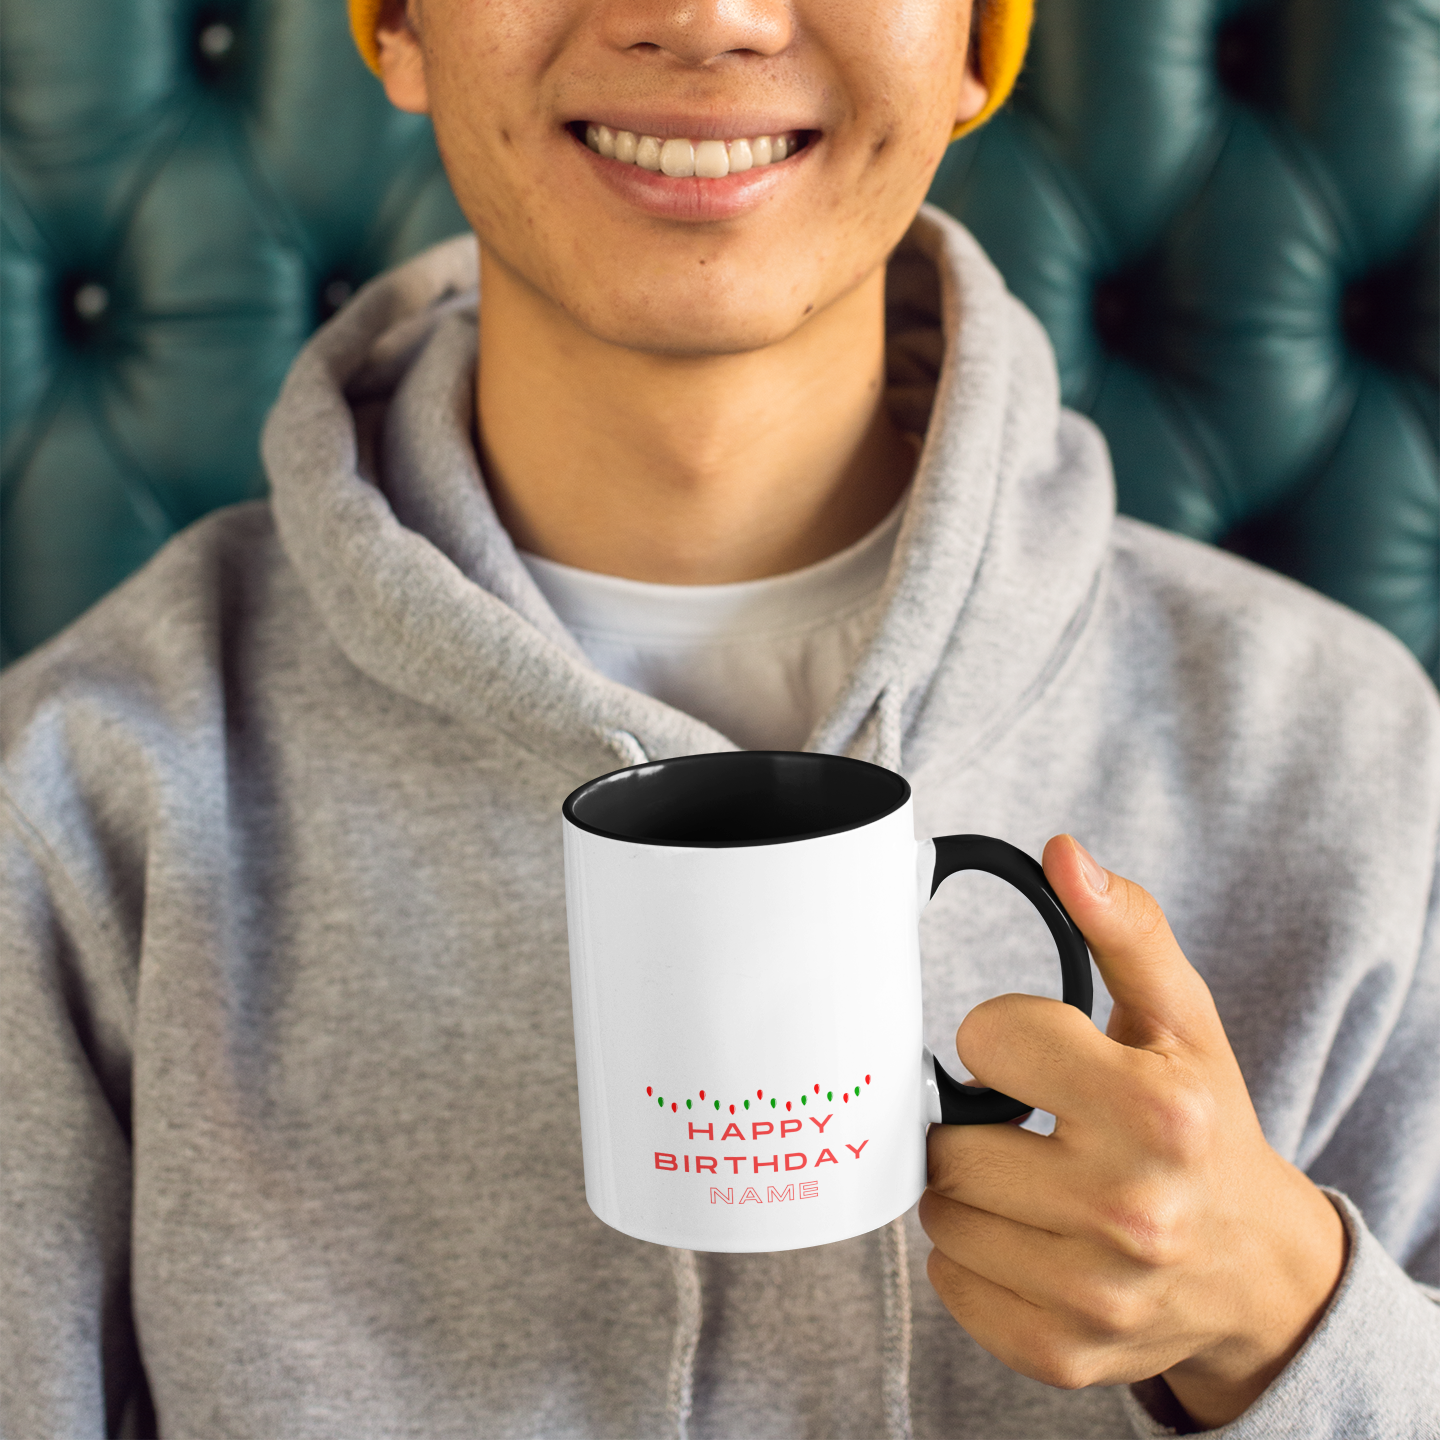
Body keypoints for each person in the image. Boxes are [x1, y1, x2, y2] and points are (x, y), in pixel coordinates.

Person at [2, 0, 1438, 1435]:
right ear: (398, 24)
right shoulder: (78, 796)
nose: (707, 20)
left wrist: (1287, 1323)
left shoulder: (1347, 757)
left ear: (973, 44)